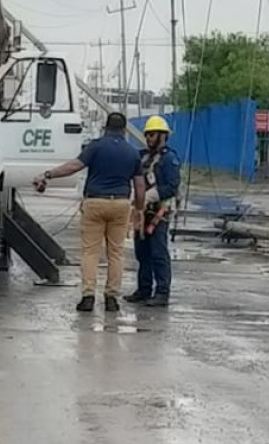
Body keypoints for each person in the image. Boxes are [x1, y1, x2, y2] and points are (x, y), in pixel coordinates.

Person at [33, 112, 146, 313]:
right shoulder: (132, 153)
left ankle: (88, 296)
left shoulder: (96, 146)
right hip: (120, 204)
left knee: (90, 252)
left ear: (105, 128)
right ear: (123, 130)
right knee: (116, 253)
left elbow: (74, 166)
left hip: (95, 202)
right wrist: (138, 209)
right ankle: (112, 298)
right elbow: (139, 186)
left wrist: (48, 174)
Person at [125, 115, 181, 308]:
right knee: (142, 253)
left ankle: (162, 293)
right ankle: (144, 289)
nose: (149, 138)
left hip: (159, 213)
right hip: (141, 212)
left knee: (158, 252)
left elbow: (172, 186)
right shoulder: (143, 157)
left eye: (153, 134)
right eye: (147, 134)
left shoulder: (169, 159)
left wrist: (149, 196)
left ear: (163, 136)